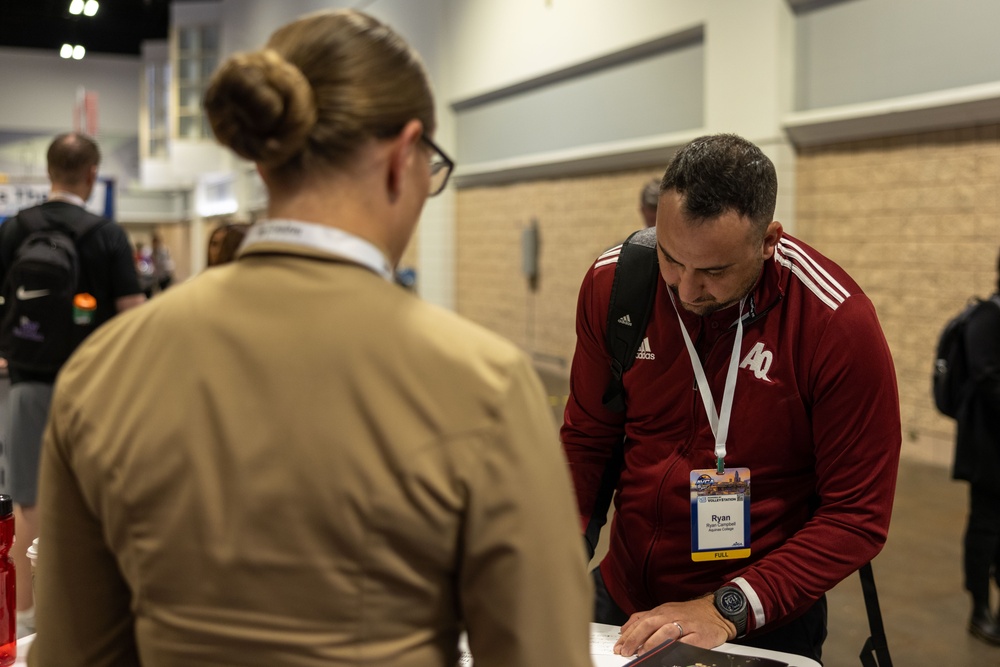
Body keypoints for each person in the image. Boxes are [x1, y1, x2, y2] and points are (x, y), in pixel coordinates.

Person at [29, 10, 592, 667]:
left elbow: (74, 652)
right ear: (400, 157)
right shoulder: (482, 382)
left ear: (266, 165)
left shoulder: (104, 368)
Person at [562, 133, 901, 663]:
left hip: (757, 617)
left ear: (768, 241)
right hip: (623, 598)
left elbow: (855, 515)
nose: (686, 289)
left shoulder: (835, 324)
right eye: (672, 259)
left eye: (715, 271)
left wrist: (726, 609)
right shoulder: (616, 286)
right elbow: (588, 439)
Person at [0, 132, 145, 639]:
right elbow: (132, 317)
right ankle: (87, 622)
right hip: (94, 389)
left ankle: (24, 629)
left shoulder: (17, 229)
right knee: (93, 504)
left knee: (28, 507)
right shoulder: (107, 235)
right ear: (91, 175)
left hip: (27, 386)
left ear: (48, 171)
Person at [953, 252, 1000, 646]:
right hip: (989, 449)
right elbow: (988, 381)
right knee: (986, 527)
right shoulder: (988, 317)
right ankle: (979, 607)